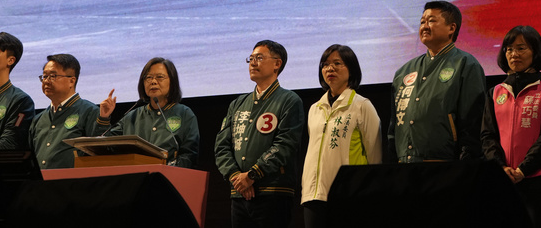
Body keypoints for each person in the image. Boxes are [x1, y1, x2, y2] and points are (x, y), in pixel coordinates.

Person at [481, 26, 541, 227]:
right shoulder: (495, 92)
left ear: (536, 52)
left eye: (521, 48)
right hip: (504, 179)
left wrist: (523, 170)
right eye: (509, 49)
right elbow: (487, 136)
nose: (514, 54)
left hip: (539, 178)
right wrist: (501, 168)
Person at [215, 40, 304, 227]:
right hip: (239, 194)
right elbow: (221, 146)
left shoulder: (289, 100)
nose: (253, 63)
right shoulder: (238, 103)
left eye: (259, 58)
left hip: (273, 192)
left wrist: (252, 175)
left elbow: (285, 144)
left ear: (277, 64)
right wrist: (236, 177)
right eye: (251, 58)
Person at [388, 0, 485, 163]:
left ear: (451, 28)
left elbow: (473, 122)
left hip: (445, 165)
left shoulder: (466, 64)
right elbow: (393, 127)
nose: (424, 26)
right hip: (405, 165)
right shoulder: (404, 72)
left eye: (431, 21)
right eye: (422, 22)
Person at [300, 45, 382, 228]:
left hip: (348, 195)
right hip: (313, 196)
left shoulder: (362, 106)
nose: (330, 68)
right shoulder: (315, 108)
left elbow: (375, 157)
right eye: (326, 64)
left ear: (351, 69)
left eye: (337, 63)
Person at [97, 56, 200, 167]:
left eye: (160, 77)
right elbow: (105, 148)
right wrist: (104, 118)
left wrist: (170, 172)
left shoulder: (184, 114)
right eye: (149, 77)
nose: (153, 82)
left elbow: (189, 155)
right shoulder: (132, 117)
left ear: (172, 81)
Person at [29, 53, 100, 170]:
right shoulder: (38, 119)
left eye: (52, 76)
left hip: (73, 185)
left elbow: (98, 154)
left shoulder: (89, 111)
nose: (46, 81)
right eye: (44, 76)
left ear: (71, 81)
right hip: (40, 185)